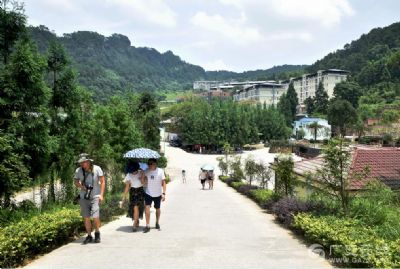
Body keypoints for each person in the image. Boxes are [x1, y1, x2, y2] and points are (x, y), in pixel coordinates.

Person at [74, 153, 105, 244]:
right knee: (86, 217)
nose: (82, 164)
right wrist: (81, 186)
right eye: (81, 163)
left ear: (88, 161)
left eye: (84, 162)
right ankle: (89, 235)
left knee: (95, 216)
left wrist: (101, 195)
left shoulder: (97, 168)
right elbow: (75, 181)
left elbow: (103, 182)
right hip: (84, 197)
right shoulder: (78, 170)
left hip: (95, 196)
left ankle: (97, 232)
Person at [143, 158, 166, 233]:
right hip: (148, 193)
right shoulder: (146, 171)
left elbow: (164, 183)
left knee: (157, 209)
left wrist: (164, 193)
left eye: (151, 163)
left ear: (155, 164)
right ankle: (147, 225)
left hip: (158, 193)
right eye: (148, 163)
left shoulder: (160, 171)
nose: (149, 165)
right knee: (147, 208)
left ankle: (157, 222)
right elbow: (142, 181)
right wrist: (143, 176)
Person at [123, 161, 145, 232]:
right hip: (132, 192)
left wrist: (142, 176)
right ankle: (136, 220)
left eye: (134, 170)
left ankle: (135, 223)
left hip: (140, 192)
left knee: (137, 207)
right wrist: (124, 196)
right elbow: (127, 186)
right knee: (134, 208)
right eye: (132, 171)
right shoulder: (128, 175)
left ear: (137, 168)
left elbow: (143, 183)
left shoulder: (141, 172)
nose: (133, 172)